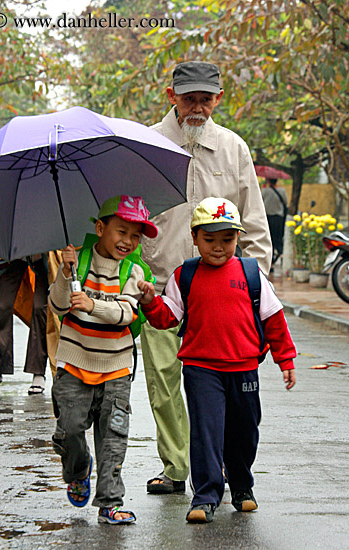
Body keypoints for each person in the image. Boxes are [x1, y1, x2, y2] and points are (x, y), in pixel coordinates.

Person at [140, 60, 272, 494]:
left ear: (218, 98)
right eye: (189, 97)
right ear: (171, 96)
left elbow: (252, 225)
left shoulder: (234, 148)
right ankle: (177, 468)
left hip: (222, 297)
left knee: (227, 389)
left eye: (205, 98)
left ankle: (224, 465)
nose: (197, 106)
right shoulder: (147, 145)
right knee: (164, 384)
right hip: (162, 288)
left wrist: (256, 292)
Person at [138, 197, 296, 522]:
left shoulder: (252, 274)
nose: (219, 247)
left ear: (238, 238)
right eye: (209, 239)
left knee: (245, 430)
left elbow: (274, 320)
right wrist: (151, 303)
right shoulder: (185, 275)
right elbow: (168, 316)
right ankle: (205, 496)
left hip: (244, 367)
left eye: (227, 239)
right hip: (201, 369)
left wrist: (286, 360)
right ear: (194, 237)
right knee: (206, 431)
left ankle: (241, 486)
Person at [48, 195, 157, 524]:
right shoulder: (78, 260)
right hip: (72, 364)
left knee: (114, 438)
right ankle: (78, 469)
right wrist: (66, 274)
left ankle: (110, 502)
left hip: (116, 368)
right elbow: (57, 305)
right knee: (67, 432)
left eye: (135, 236)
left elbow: (126, 313)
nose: (128, 241)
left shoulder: (134, 270)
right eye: (121, 231)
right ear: (100, 227)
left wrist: (92, 305)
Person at [0, 255, 48, 395]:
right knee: (3, 306)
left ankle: (38, 372)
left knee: (40, 308)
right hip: (15, 254)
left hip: (46, 255)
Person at [261, 178, 288, 265]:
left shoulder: (264, 191)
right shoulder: (282, 191)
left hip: (267, 218)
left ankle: (271, 262)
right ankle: (282, 255)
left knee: (269, 239)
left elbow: (260, 202)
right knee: (279, 238)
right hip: (279, 218)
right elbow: (286, 202)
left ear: (268, 181)